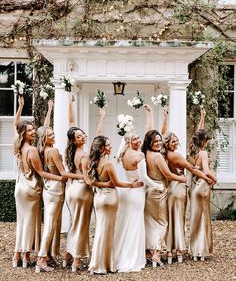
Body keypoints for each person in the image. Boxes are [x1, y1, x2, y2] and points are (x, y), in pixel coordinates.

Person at [63, 94, 109, 272]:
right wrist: (102, 184)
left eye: (83, 135)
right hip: (82, 191)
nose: (84, 136)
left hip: (72, 190)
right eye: (81, 136)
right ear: (75, 140)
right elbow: (87, 179)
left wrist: (70, 102)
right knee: (82, 225)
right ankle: (77, 259)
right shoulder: (83, 156)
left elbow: (71, 123)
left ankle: (68, 254)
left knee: (74, 222)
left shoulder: (72, 151)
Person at [35, 115, 86, 273]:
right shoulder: (54, 151)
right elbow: (63, 173)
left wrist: (49, 111)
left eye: (53, 133)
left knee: (50, 223)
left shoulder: (42, 150)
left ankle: (48, 256)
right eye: (50, 135)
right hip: (56, 189)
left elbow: (45, 172)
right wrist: (81, 176)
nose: (53, 136)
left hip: (48, 188)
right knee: (50, 225)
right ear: (44, 138)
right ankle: (41, 260)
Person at [12, 97, 58, 268]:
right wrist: (62, 177)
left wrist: (21, 107)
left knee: (21, 221)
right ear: (24, 132)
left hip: (19, 187)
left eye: (33, 130)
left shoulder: (18, 146)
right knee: (30, 222)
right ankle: (25, 257)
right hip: (31, 188)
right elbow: (41, 172)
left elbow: (40, 130)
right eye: (30, 130)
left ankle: (16, 255)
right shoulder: (32, 150)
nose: (33, 132)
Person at [88, 135, 142, 274]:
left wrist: (103, 184)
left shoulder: (93, 162)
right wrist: (132, 184)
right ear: (101, 148)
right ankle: (103, 265)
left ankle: (98, 263)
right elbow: (116, 183)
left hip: (98, 198)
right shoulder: (108, 164)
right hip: (109, 199)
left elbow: (91, 182)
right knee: (107, 232)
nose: (111, 147)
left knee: (100, 230)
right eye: (108, 145)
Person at [162, 125, 213, 264]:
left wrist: (201, 118)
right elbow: (193, 169)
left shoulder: (166, 155)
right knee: (184, 219)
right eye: (174, 141)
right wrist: (211, 179)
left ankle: (169, 251)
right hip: (182, 187)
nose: (177, 143)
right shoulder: (178, 155)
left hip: (173, 187)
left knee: (173, 219)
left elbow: (196, 136)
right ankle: (182, 251)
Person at [115, 131, 163, 272]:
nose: (139, 141)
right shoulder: (139, 155)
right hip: (137, 192)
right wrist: (158, 186)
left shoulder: (122, 155)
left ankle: (121, 254)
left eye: (138, 138)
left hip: (126, 191)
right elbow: (144, 178)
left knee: (125, 223)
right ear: (129, 141)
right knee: (135, 223)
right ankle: (131, 257)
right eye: (135, 139)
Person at [142, 129, 187, 267]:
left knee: (150, 222)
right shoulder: (157, 157)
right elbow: (168, 175)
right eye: (155, 141)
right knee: (163, 223)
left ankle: (148, 252)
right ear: (149, 142)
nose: (158, 143)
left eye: (159, 140)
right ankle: (156, 254)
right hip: (159, 191)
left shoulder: (145, 154)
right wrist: (182, 178)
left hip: (149, 190)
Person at [188, 108, 217, 261]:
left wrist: (202, 117)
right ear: (204, 141)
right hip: (203, 186)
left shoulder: (191, 151)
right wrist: (215, 178)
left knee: (194, 217)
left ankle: (194, 251)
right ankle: (202, 251)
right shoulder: (203, 153)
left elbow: (198, 133)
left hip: (193, 187)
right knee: (204, 217)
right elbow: (206, 171)